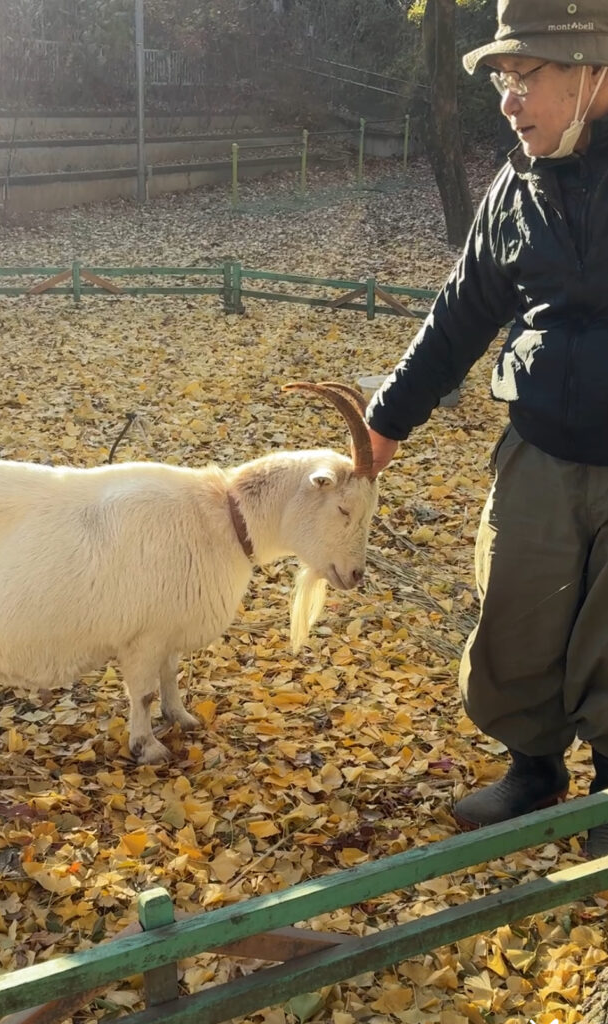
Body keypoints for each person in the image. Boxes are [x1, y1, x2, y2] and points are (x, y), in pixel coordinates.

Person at [364, 0, 608, 857]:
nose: (508, 102)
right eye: (502, 81)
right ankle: (531, 771)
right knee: (517, 612)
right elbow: (462, 312)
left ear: (592, 71)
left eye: (524, 77)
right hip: (539, 449)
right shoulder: (517, 184)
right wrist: (383, 423)